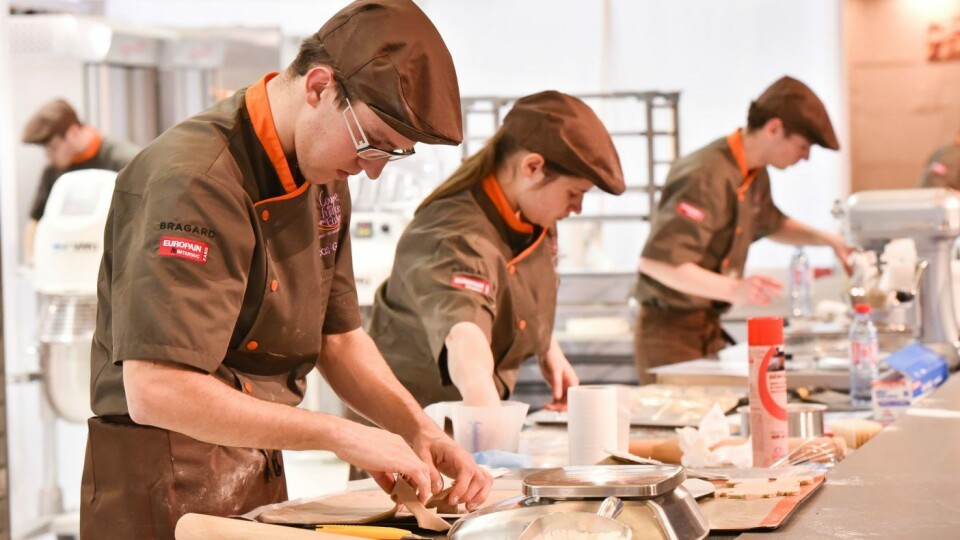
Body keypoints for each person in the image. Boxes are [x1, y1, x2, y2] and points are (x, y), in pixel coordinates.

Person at [81, 1, 491, 537]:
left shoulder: (323, 172)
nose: (370, 171)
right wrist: (336, 434)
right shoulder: (194, 180)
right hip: (163, 486)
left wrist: (417, 430)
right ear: (319, 86)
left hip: (256, 471)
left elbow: (339, 338)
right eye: (371, 143)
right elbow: (157, 388)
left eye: (393, 156)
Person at [366, 91, 625, 410]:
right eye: (575, 192)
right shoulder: (454, 232)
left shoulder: (533, 214)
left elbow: (521, 286)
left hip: (472, 415)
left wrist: (547, 349)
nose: (578, 208)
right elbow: (464, 335)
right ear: (532, 167)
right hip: (413, 420)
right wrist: (487, 417)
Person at [634, 76, 853, 384]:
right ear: (774, 128)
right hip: (669, 332)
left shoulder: (753, 174)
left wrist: (830, 241)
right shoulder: (705, 174)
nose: (805, 157)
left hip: (707, 326)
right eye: (803, 146)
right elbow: (657, 262)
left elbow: (773, 223)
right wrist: (735, 289)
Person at [20, 98, 139, 263]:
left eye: (52, 148)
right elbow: (36, 219)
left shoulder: (126, 160)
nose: (48, 157)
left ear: (73, 132)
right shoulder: (52, 171)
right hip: (69, 264)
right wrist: (32, 260)